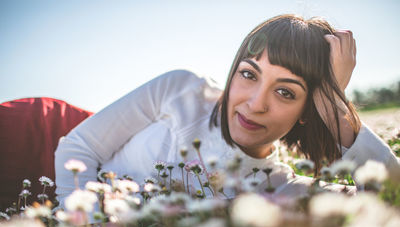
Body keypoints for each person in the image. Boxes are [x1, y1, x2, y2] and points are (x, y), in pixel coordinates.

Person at [54, 14, 400, 210]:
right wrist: (86, 225)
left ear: (309, 110)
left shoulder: (278, 186)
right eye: (249, 74)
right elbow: (78, 147)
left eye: (285, 91)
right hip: (50, 148)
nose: (255, 104)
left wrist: (336, 107)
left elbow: (391, 200)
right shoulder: (183, 90)